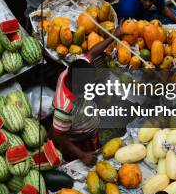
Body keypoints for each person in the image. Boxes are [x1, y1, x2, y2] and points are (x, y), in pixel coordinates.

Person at [49, 25, 122, 166]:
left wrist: (114, 36)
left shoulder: (73, 70)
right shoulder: (65, 107)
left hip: (88, 127)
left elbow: (92, 53)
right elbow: (58, 135)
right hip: (78, 139)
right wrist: (82, 155)